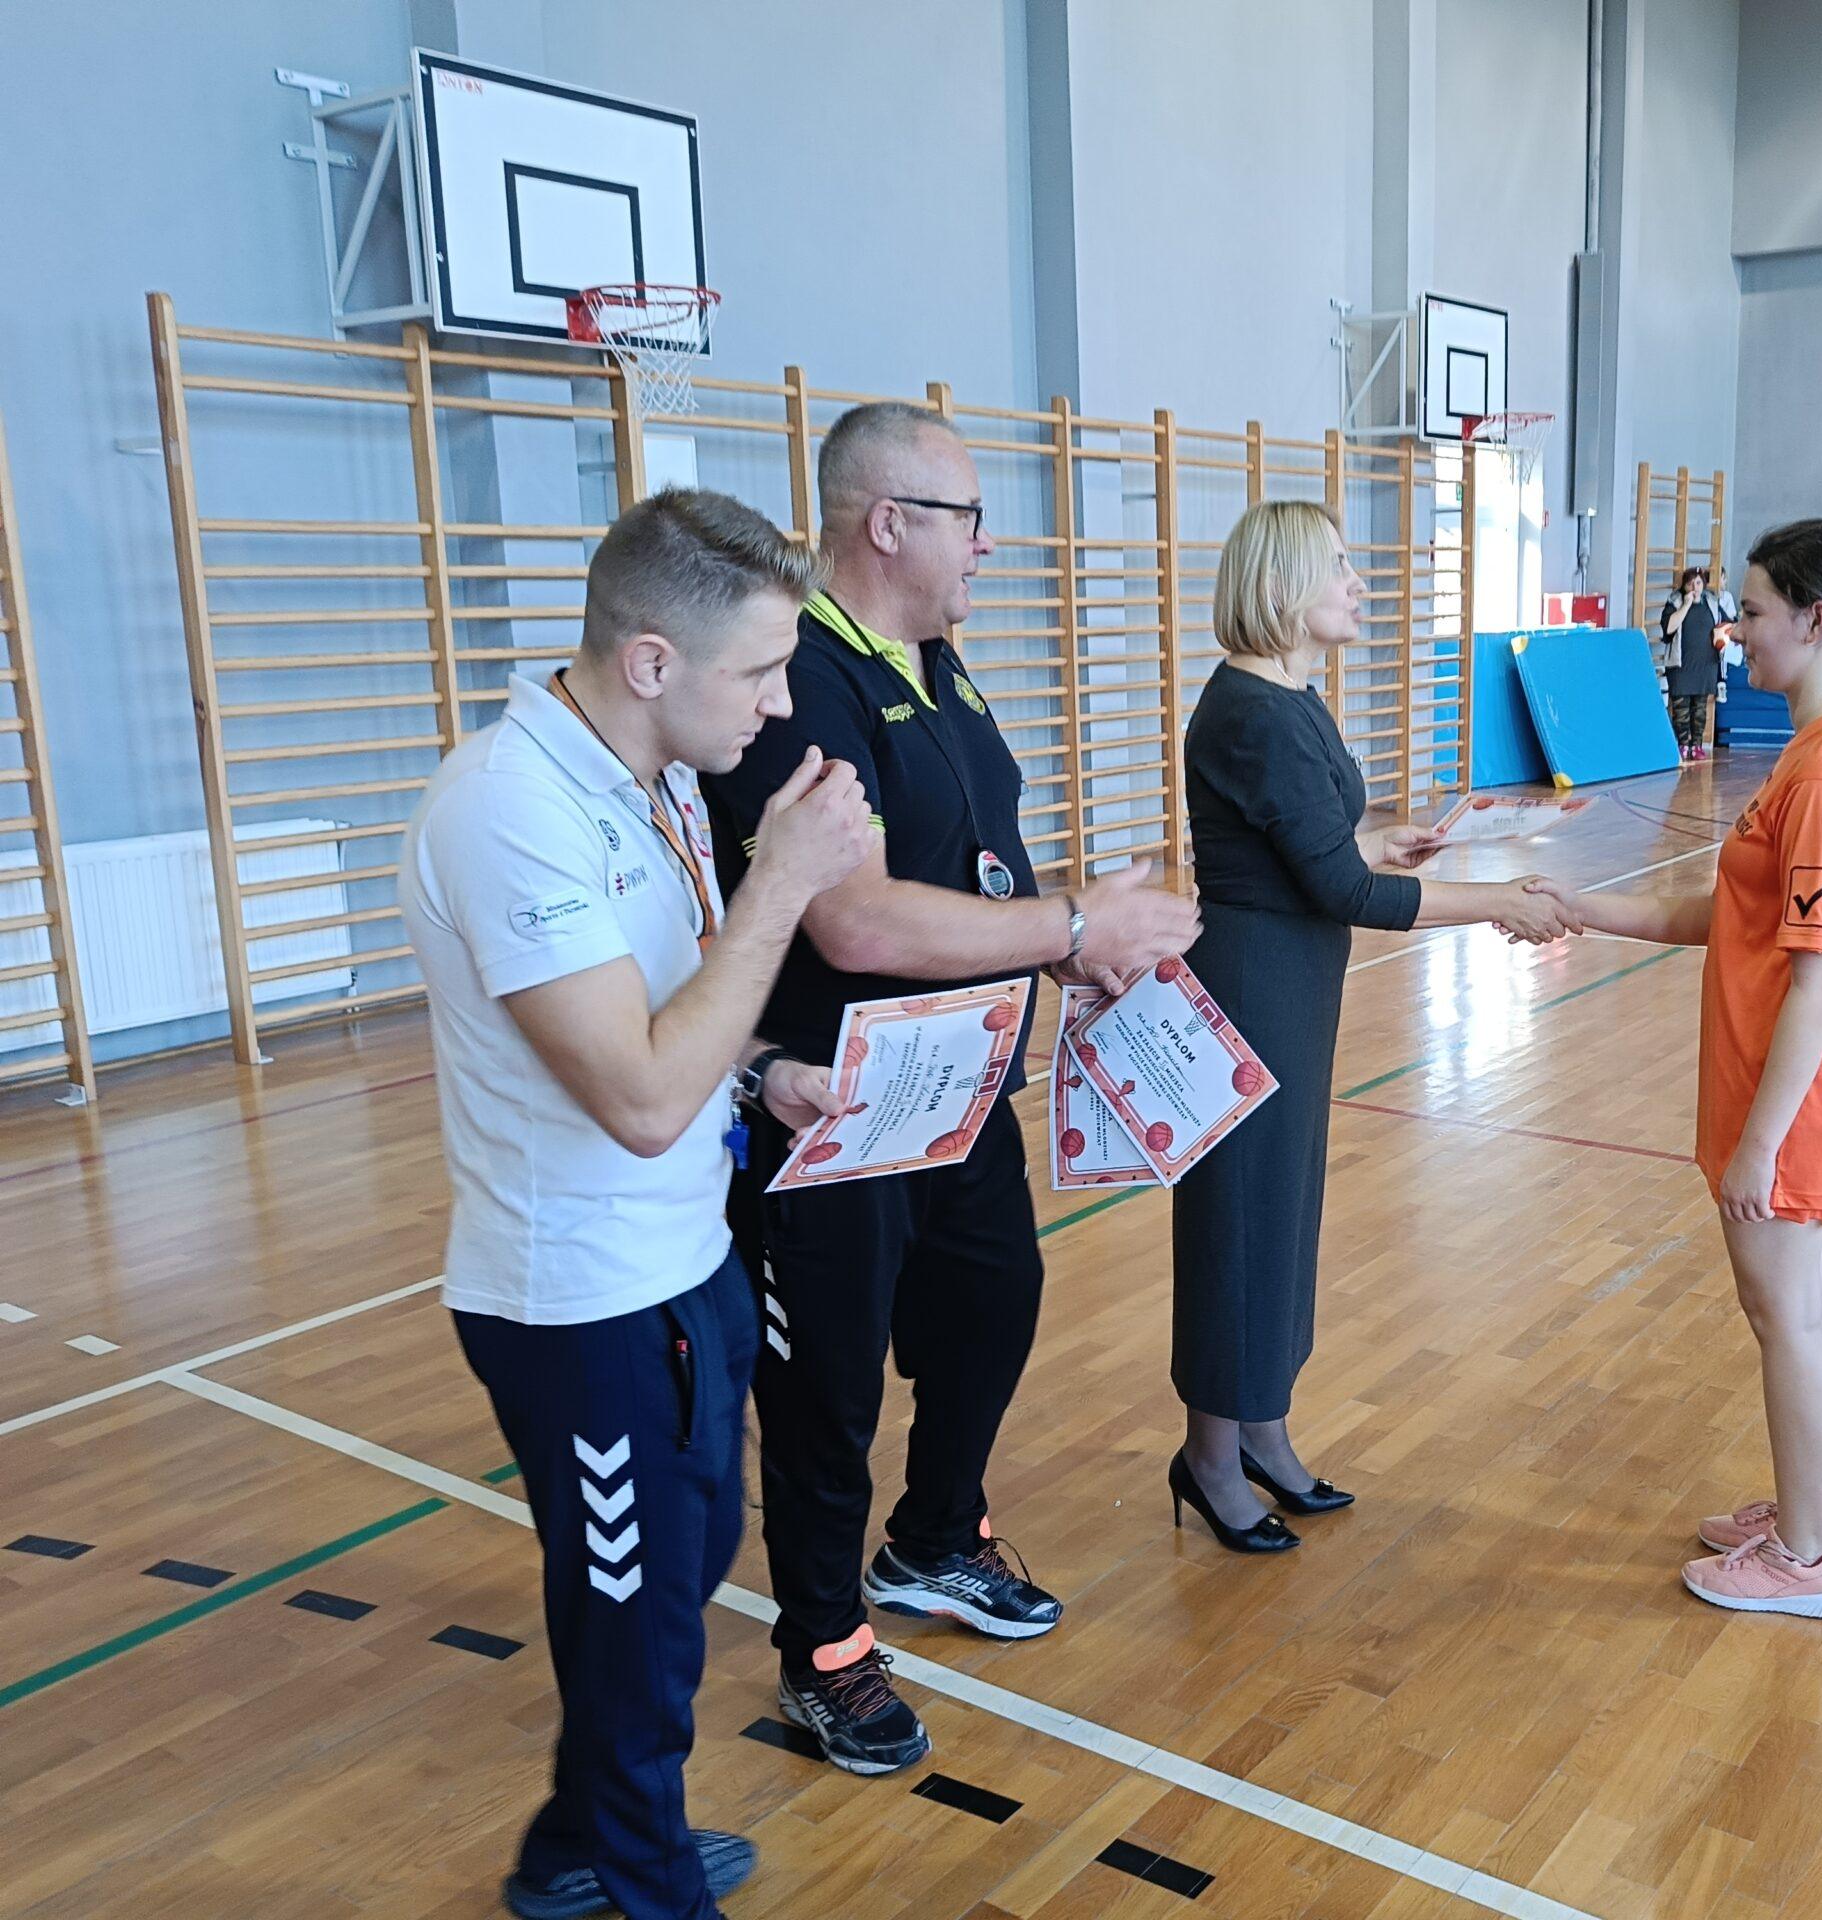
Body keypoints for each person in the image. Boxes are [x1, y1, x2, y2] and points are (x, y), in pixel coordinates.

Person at [398, 489, 882, 1920]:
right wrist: (781, 886)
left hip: (685, 1260)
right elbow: (641, 1097)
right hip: (581, 1301)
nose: (782, 703)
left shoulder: (649, 774)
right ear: (653, 662)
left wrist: (769, 1070)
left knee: (681, 1570)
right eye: (762, 671)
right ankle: (646, 1881)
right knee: (637, 1622)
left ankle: (575, 1851)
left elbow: (676, 1021)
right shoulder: (510, 810)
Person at [701, 403, 1199, 1778]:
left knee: (992, 1305)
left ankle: (933, 1538)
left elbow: (978, 864)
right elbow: (854, 920)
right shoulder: (797, 682)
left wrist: (1067, 958)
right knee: (829, 1390)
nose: (990, 542)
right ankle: (824, 1647)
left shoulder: (939, 667)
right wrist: (1072, 923)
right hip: (826, 1103)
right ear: (889, 523)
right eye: (970, 517)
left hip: (957, 1083)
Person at [1530, 518, 1822, 1621]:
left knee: (1786, 1313)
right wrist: (1579, 908)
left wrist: (1761, 1143)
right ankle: (1815, 1516)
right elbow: (1723, 913)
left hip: (1789, 1099)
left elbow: (1818, 982)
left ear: (1815, 620)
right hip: (1778, 1089)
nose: (1732, 630)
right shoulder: (1817, 751)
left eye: (1750, 612)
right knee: (1803, 1309)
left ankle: (1802, 1561)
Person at [1169, 500, 1579, 1551]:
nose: (1358, 583)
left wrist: (1375, 840)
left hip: (1293, 979)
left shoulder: (1290, 699)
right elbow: (1342, 892)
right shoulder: (1254, 713)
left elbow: (1314, 852)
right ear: (1281, 587)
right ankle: (1210, 1454)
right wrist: (1494, 900)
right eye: (1338, 566)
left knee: (1282, 1210)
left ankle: (1261, 1430)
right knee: (1241, 1218)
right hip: (1253, 986)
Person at [1660, 565, 1721, 759]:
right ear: (1684, 586)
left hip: (1705, 664)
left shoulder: (1712, 602)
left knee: (1700, 710)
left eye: (1699, 583)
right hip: (1681, 666)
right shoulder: (1675, 601)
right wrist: (1686, 606)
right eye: (1691, 584)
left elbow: (1725, 623)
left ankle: (1697, 745)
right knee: (1681, 710)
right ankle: (1683, 744)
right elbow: (1668, 628)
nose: (1695, 588)